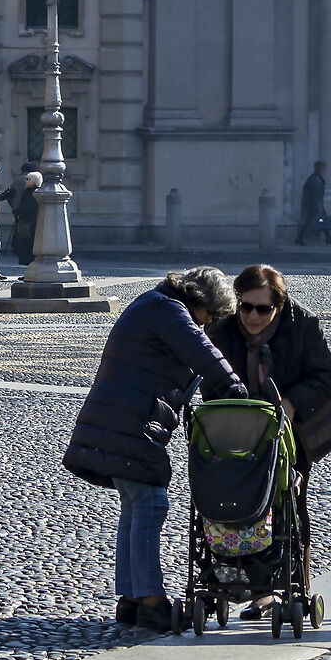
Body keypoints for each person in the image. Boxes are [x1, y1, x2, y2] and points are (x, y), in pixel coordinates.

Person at [62, 267, 247, 634]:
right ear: (201, 301)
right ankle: (150, 601)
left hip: (121, 419)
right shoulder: (168, 310)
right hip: (131, 422)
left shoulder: (153, 304)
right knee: (149, 504)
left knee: (135, 506)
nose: (208, 323)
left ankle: (130, 599)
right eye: (209, 315)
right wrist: (235, 388)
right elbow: (203, 352)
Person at [210, 264, 331, 619]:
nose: (252, 316)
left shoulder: (303, 325)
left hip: (288, 434)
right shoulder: (223, 330)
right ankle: (253, 586)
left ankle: (287, 584)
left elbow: (326, 375)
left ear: (279, 306)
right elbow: (208, 378)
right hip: (235, 434)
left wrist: (292, 401)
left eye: (262, 309)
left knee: (287, 507)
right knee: (236, 507)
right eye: (245, 306)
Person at [298, 160, 331, 245]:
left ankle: (328, 237)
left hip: (313, 204)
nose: (325, 169)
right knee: (315, 220)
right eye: (324, 167)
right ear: (320, 168)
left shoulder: (313, 178)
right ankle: (299, 237)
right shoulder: (316, 180)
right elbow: (316, 195)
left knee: (319, 220)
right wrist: (319, 207)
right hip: (315, 205)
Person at [14, 169, 44, 267]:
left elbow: (28, 208)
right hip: (28, 223)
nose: (26, 181)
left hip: (31, 224)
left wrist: (19, 213)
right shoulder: (28, 191)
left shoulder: (33, 193)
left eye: (28, 179)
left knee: (29, 248)